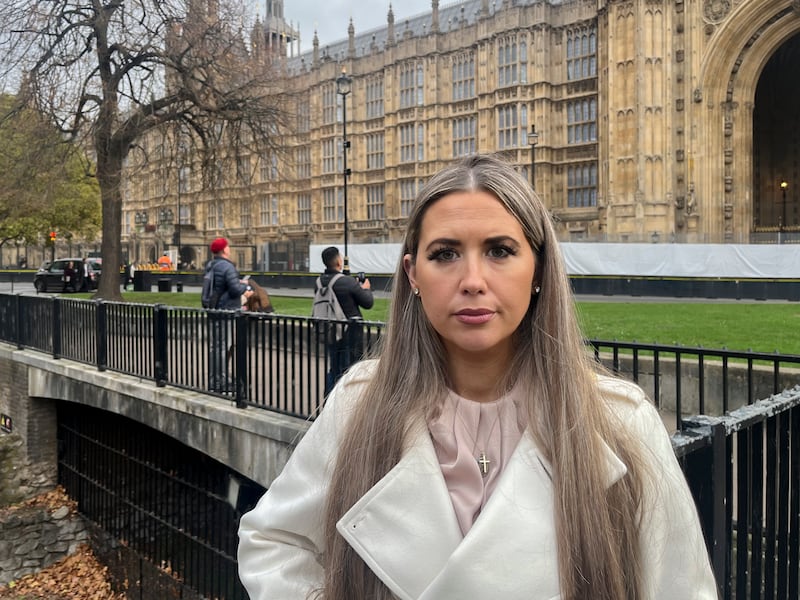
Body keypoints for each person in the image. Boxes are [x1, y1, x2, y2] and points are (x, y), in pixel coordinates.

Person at [237, 154, 717, 599]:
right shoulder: (358, 405)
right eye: (445, 253)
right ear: (413, 276)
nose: (472, 279)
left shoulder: (621, 421)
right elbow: (273, 541)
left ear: (539, 269)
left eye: (500, 250)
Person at [317, 246, 374, 394]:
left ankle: (328, 400)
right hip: (349, 333)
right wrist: (365, 288)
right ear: (338, 262)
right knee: (350, 369)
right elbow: (368, 303)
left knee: (334, 367)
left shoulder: (319, 282)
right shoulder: (346, 282)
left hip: (329, 330)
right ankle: (347, 402)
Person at [206, 237, 254, 393]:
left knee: (215, 348)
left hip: (214, 309)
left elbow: (222, 285)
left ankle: (215, 380)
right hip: (225, 310)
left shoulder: (212, 265)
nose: (229, 249)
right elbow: (233, 290)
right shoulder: (227, 266)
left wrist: (237, 283)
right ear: (224, 249)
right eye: (228, 247)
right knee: (222, 348)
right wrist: (245, 290)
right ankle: (221, 382)